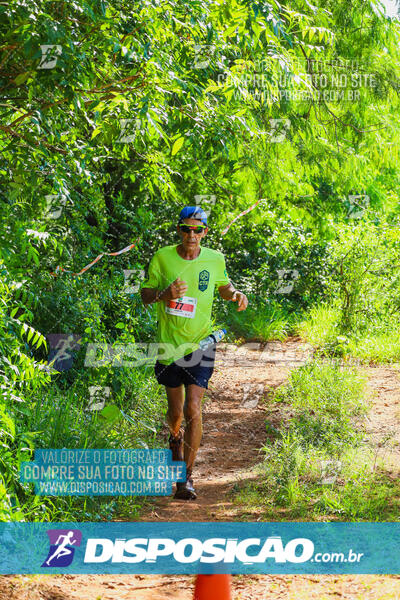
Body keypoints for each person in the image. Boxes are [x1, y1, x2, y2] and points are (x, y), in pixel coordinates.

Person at [140, 206, 248, 500]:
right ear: (179, 230)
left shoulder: (215, 259)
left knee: (193, 409)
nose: (191, 235)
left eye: (197, 230)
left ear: (205, 233)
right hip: (169, 346)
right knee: (175, 414)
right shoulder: (163, 257)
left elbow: (224, 288)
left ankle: (186, 478)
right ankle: (174, 439)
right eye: (186, 229)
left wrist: (236, 294)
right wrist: (164, 294)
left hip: (201, 344)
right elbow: (145, 295)